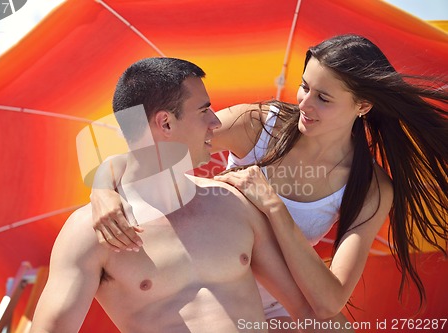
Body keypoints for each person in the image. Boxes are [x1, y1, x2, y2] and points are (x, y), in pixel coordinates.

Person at [90, 34, 448, 330]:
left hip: (284, 309)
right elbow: (150, 139)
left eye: (323, 98)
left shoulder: (370, 187)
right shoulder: (261, 126)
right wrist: (103, 184)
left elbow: (327, 301)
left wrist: (273, 207)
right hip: (212, 298)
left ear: (363, 106)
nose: (305, 103)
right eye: (305, 87)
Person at [31, 57, 350, 333]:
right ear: (165, 122)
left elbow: (308, 311)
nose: (215, 121)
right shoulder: (91, 232)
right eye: (204, 110)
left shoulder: (235, 203)